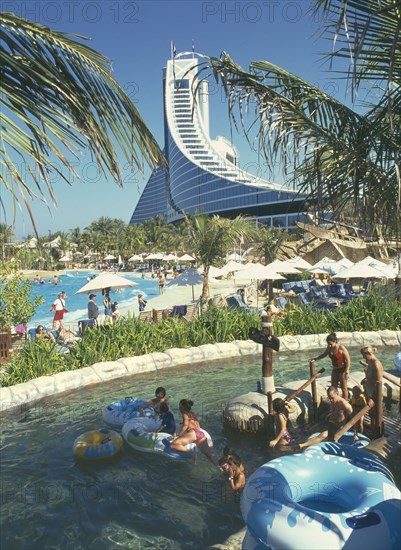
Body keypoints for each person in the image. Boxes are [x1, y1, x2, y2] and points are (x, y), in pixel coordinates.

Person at [169, 399, 219, 466]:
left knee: (173, 445)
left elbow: (185, 425)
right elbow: (198, 425)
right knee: (209, 455)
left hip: (194, 433)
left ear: (183, 407)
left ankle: (191, 453)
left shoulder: (185, 414)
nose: (179, 408)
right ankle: (221, 468)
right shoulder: (192, 414)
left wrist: (178, 435)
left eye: (179, 406)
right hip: (201, 434)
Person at [310, 332, 351, 400]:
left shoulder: (341, 348)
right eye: (328, 344)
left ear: (335, 341)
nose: (329, 346)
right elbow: (324, 354)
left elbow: (348, 360)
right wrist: (316, 359)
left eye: (330, 344)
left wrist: (347, 370)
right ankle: (336, 401)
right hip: (335, 370)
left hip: (342, 370)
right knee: (333, 387)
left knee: (344, 388)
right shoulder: (329, 348)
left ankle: (345, 402)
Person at [360, 346, 384, 431]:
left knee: (375, 413)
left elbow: (379, 381)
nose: (363, 357)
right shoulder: (369, 362)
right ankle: (372, 429)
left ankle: (376, 432)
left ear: (368, 354)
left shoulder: (376, 364)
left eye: (364, 355)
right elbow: (370, 376)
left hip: (374, 393)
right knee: (371, 414)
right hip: (369, 390)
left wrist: (374, 395)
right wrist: (364, 380)